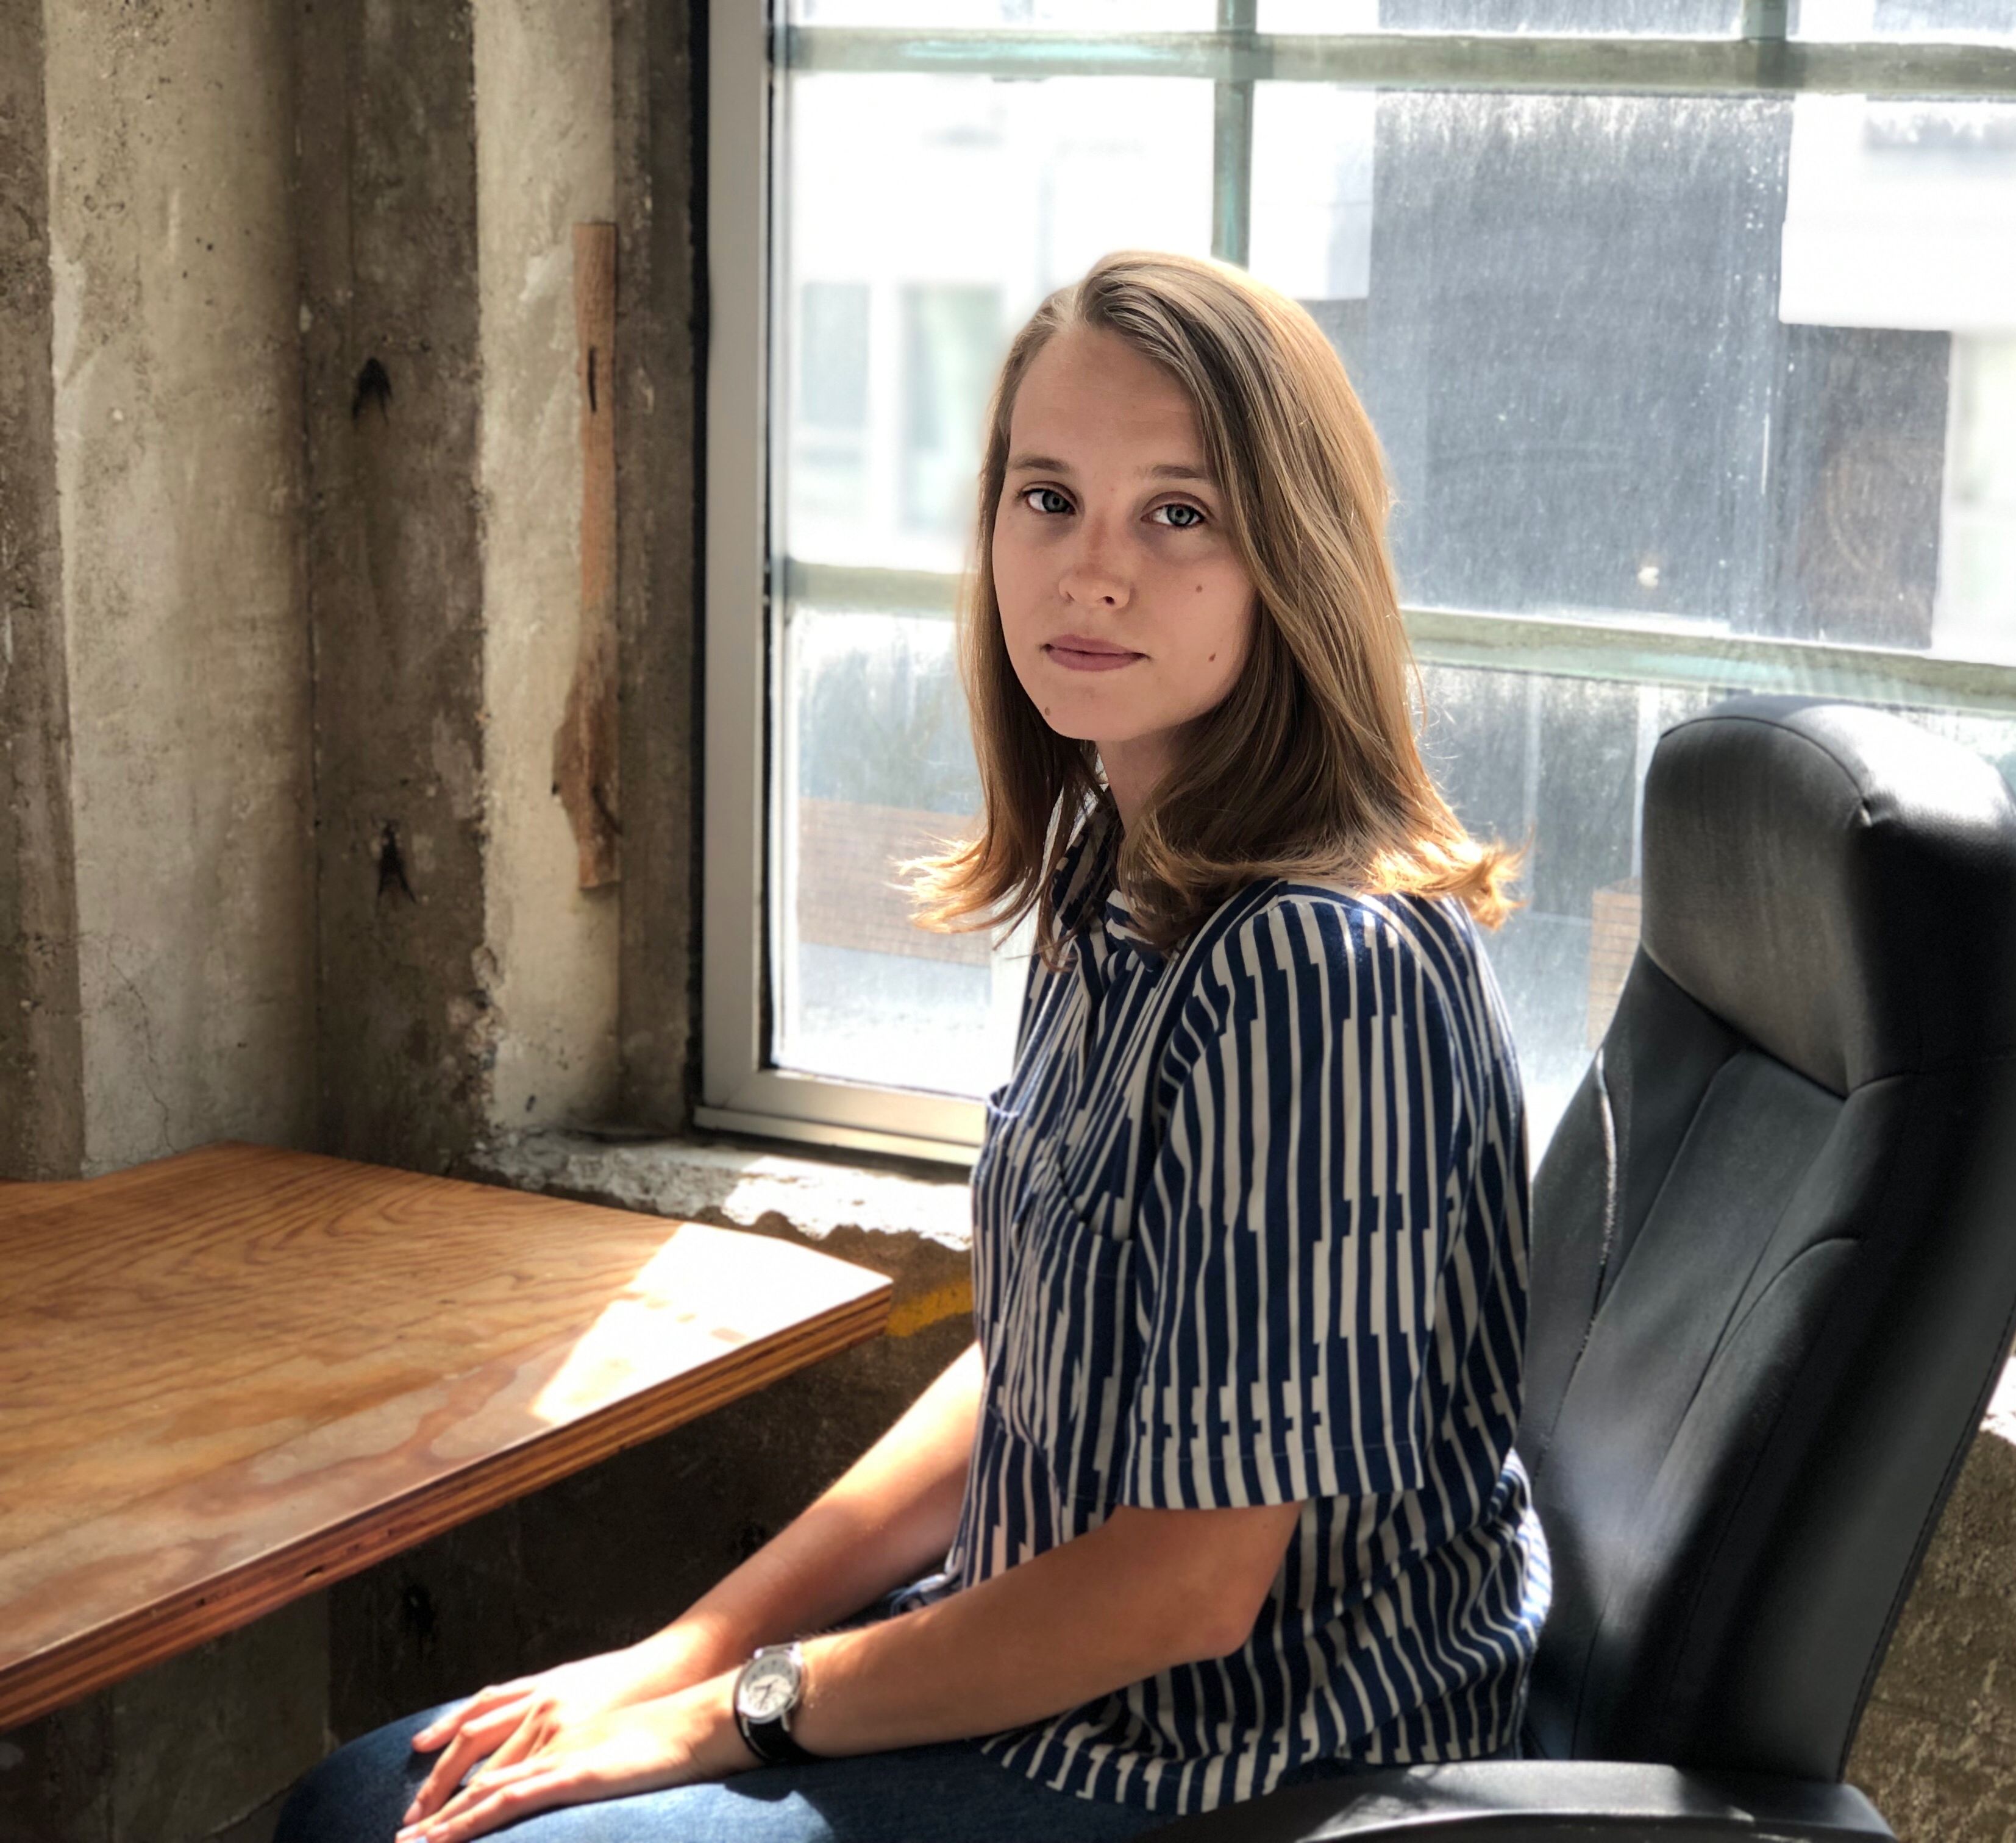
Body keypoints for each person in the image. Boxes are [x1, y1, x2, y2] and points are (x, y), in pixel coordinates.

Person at [275, 249, 1545, 1843]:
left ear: (1295, 552)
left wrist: (737, 1718)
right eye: (1045, 496)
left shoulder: (1310, 966)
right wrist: (694, 1649)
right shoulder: (1122, 869)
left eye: (1178, 513)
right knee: (370, 1794)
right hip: (1060, 1675)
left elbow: (1190, 1586)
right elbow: (1039, 1368)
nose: (1090, 574)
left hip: (1230, 1764)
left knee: (383, 1828)